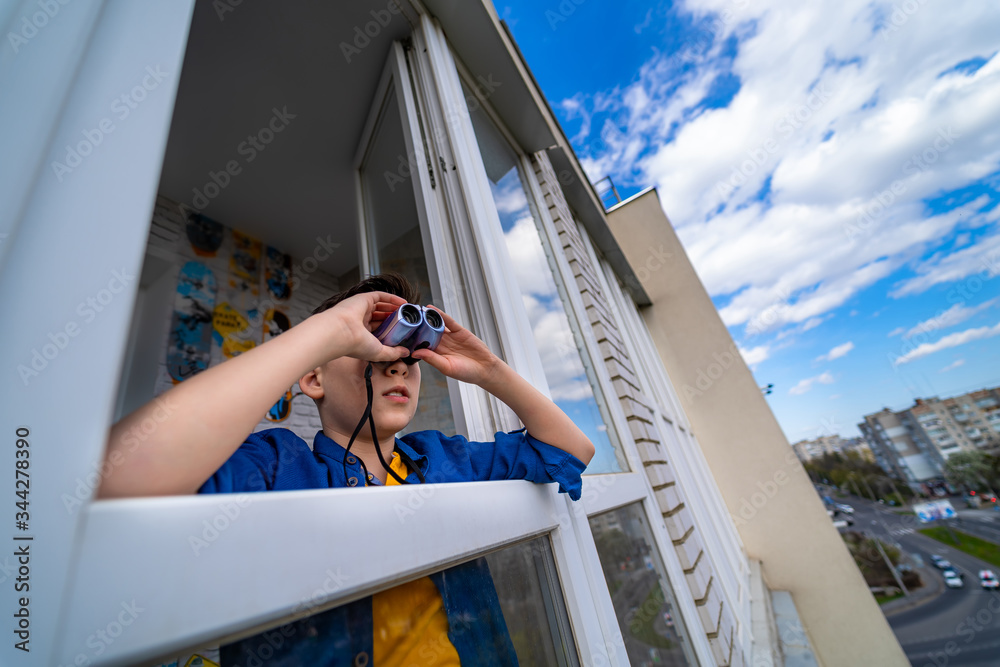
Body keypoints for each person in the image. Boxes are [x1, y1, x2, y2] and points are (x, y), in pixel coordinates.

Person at [99, 272, 595, 666]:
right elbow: (120, 478)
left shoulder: (445, 461)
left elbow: (571, 451)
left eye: (409, 353)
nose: (398, 363)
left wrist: (488, 369)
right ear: (313, 377)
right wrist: (332, 329)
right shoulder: (278, 468)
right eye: (374, 347)